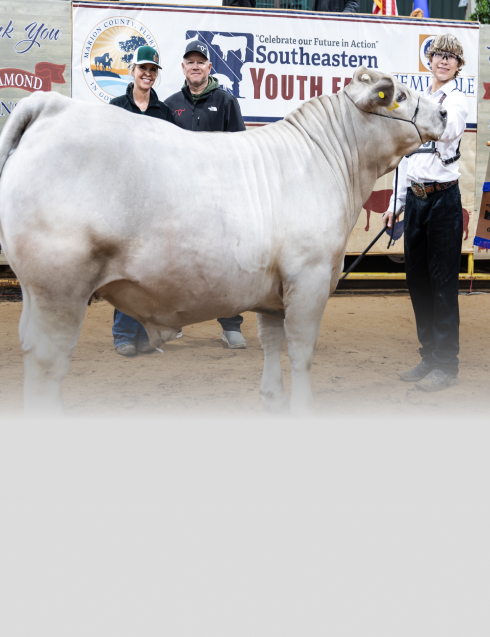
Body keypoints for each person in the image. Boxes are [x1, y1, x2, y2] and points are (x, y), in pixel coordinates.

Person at [383, 34, 468, 391]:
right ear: (429, 61)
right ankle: (429, 357)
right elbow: (406, 157)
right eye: (438, 55)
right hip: (416, 200)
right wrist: (396, 203)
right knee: (417, 281)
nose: (444, 61)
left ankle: (446, 364)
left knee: (442, 283)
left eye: (451, 57)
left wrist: (415, 122)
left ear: (459, 66)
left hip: (444, 200)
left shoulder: (457, 100)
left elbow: (447, 132)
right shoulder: (420, 100)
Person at [164, 40, 247, 349]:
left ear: (210, 67)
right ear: (183, 67)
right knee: (178, 262)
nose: (195, 66)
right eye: (190, 62)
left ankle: (231, 325)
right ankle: (174, 321)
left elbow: (241, 149)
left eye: (201, 61)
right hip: (180, 199)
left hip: (219, 198)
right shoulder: (170, 104)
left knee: (224, 262)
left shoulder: (226, 101)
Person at [109, 45, 173, 356]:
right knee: (127, 266)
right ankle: (123, 335)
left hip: (156, 198)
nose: (147, 74)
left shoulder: (164, 111)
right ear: (132, 71)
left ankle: (145, 334)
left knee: (151, 269)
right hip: (125, 198)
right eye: (143, 68)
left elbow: (173, 154)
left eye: (153, 70)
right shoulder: (116, 107)